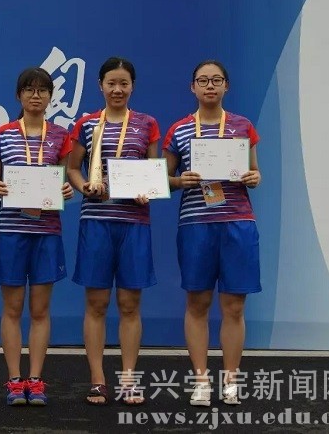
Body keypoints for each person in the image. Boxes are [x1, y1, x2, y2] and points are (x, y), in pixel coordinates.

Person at [163, 60, 261, 407]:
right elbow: (162, 180)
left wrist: (254, 177)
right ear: (192, 87)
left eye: (216, 80)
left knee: (234, 306)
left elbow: (255, 172)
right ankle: (202, 381)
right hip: (196, 225)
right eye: (203, 80)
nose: (210, 86)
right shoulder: (179, 130)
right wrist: (180, 181)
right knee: (198, 302)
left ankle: (231, 380)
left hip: (237, 222)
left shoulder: (242, 126)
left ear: (226, 86)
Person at [67, 57, 160, 405]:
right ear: (101, 86)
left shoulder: (147, 124)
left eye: (124, 83)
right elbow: (72, 169)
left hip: (134, 222)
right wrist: (84, 187)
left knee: (130, 304)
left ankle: (129, 379)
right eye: (111, 83)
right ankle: (97, 379)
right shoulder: (87, 123)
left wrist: (147, 190)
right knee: (96, 303)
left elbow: (154, 171)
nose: (117, 89)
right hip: (96, 220)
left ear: (132, 86)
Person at [0, 67, 73, 406]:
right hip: (11, 231)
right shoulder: (3, 134)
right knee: (12, 308)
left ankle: (35, 380)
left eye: (42, 90)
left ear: (50, 96)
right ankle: (13, 379)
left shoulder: (61, 136)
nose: (36, 96)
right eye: (29, 89)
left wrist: (66, 189)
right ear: (19, 95)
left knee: (40, 309)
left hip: (46, 232)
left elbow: (67, 178)